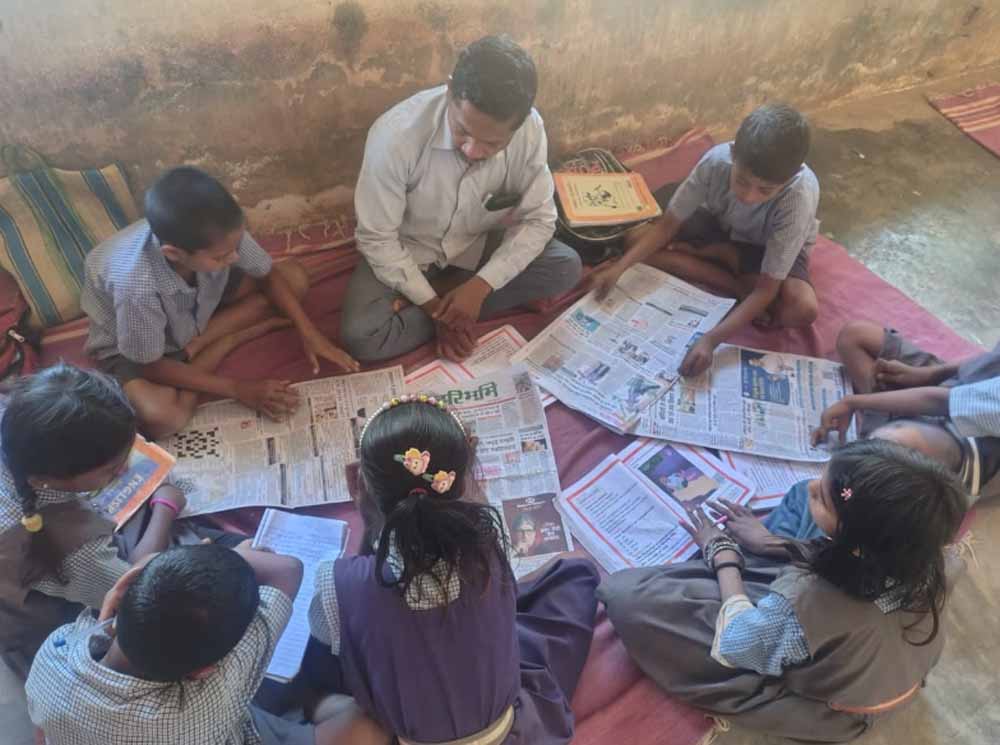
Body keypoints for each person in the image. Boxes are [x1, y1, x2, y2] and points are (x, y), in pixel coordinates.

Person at [598, 439, 966, 742]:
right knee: (797, 497)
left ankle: (738, 565)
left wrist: (723, 556)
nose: (813, 486)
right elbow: (844, 559)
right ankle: (764, 551)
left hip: (831, 708)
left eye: (824, 497)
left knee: (627, 596)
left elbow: (739, 643)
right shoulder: (929, 555)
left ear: (855, 541)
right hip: (861, 635)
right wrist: (772, 543)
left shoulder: (811, 599)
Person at [304, 394, 599, 744]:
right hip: (512, 732)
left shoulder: (339, 583)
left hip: (409, 733)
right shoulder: (486, 548)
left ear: (360, 486)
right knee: (575, 575)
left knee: (320, 663)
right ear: (463, 481)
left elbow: (338, 635)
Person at [342, 35, 582, 363]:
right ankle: (451, 304)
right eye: (462, 131)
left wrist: (480, 288)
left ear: (520, 122)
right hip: (409, 247)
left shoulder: (530, 130)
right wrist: (436, 311)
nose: (472, 151)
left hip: (476, 241)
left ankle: (459, 297)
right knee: (362, 336)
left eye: (492, 144)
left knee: (565, 266)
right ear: (450, 90)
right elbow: (378, 238)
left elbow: (538, 220)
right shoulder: (396, 136)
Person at [81, 166, 359, 439]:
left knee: (294, 278)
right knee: (164, 418)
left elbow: (268, 275)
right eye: (221, 256)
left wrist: (310, 333)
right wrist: (238, 388)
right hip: (140, 347)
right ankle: (220, 342)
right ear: (174, 254)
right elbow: (149, 364)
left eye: (235, 248)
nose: (235, 258)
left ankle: (197, 346)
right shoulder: (136, 288)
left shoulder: (220, 233)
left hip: (198, 304)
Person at [26, 543, 387, 745]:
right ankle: (310, 703)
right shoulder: (211, 697)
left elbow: (41, 733)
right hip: (224, 731)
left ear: (121, 596)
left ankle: (307, 704)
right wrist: (233, 554)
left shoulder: (54, 652)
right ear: (204, 672)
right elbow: (286, 570)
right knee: (373, 727)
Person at [585, 104, 820, 378]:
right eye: (742, 181)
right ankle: (729, 271)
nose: (749, 197)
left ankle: (720, 258)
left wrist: (710, 340)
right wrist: (619, 268)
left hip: (764, 246)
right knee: (635, 239)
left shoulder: (797, 199)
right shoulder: (715, 162)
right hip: (722, 224)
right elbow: (667, 226)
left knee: (801, 309)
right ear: (733, 153)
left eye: (765, 190)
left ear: (792, 177)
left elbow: (767, 290)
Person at [0, 364, 190, 677]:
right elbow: (132, 588)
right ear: (47, 478)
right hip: (41, 634)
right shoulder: (71, 546)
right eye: (112, 469)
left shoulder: (12, 417)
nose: (125, 470)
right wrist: (165, 507)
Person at [814, 320, 1000, 504]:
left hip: (959, 441)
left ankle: (882, 432)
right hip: (956, 388)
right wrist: (929, 374)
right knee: (854, 336)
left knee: (883, 463)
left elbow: (939, 402)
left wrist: (854, 402)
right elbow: (987, 362)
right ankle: (884, 417)